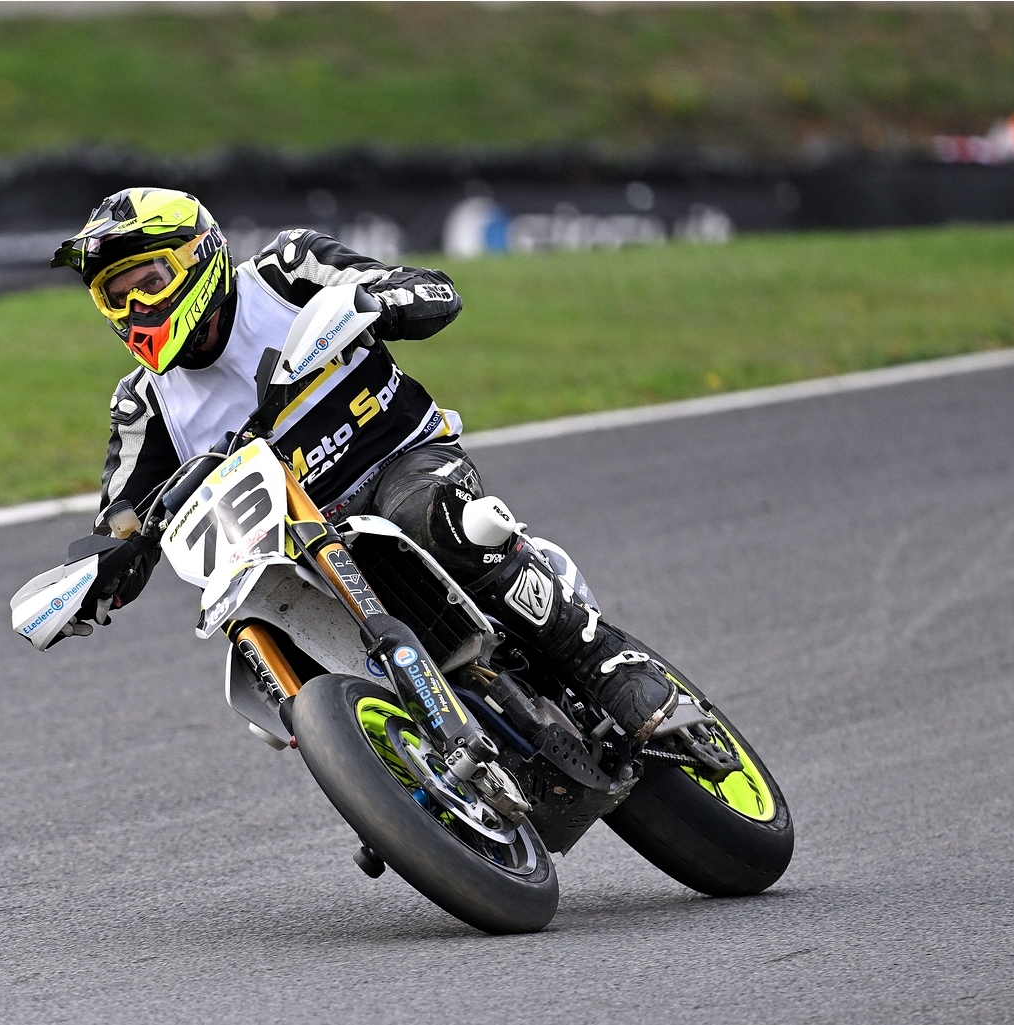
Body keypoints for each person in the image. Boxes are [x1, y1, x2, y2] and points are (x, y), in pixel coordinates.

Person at [45, 187, 677, 744]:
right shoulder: (142, 405)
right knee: (259, 638)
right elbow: (123, 522)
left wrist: (381, 304)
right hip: (300, 554)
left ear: (199, 257)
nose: (136, 309)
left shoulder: (286, 270)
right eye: (116, 298)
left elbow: (432, 289)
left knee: (427, 517)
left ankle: (606, 662)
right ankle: (397, 778)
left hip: (404, 466)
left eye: (148, 283)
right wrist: (101, 576)